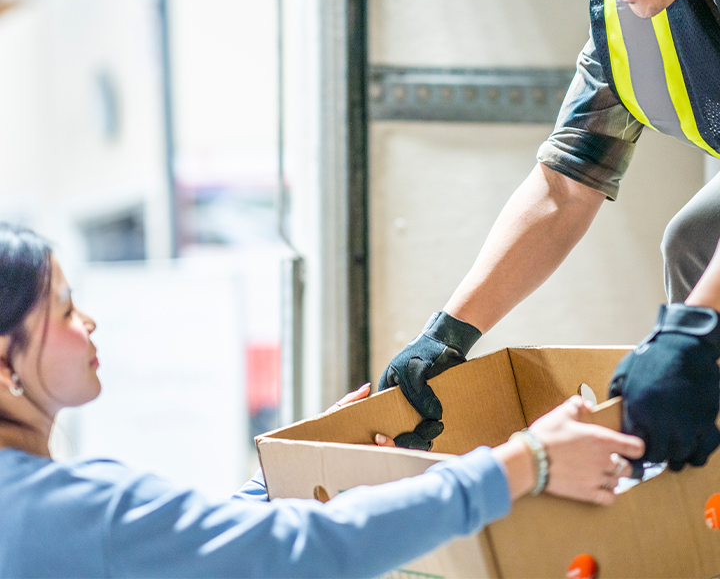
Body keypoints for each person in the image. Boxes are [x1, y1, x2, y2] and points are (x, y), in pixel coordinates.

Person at [0, 223, 643, 578]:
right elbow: (295, 552)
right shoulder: (69, 512)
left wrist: (283, 476)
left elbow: (197, 551)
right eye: (62, 309)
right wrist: (525, 462)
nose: (89, 322)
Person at [380, 0, 720, 471]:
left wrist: (689, 334)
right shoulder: (628, 15)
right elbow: (567, 183)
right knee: (696, 243)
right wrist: (447, 337)